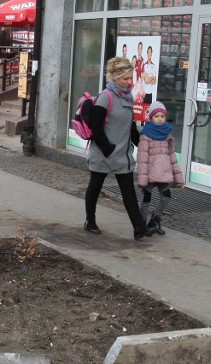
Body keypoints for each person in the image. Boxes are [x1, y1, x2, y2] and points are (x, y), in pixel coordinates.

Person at [84, 56, 157, 240]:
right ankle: (90, 221)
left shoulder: (128, 97)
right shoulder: (105, 98)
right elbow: (96, 126)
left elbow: (130, 125)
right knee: (95, 187)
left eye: (130, 78)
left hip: (122, 155)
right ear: (114, 78)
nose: (129, 82)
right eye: (125, 78)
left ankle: (139, 229)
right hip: (104, 153)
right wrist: (107, 149)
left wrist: (140, 143)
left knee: (128, 192)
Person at [137, 101, 184, 235]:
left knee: (166, 197)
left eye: (162, 116)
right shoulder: (146, 135)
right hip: (150, 173)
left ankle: (155, 219)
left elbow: (172, 156)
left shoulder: (167, 134)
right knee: (146, 200)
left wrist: (177, 175)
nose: (160, 119)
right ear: (151, 117)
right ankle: (141, 224)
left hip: (164, 173)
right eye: (156, 116)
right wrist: (142, 178)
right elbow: (142, 158)